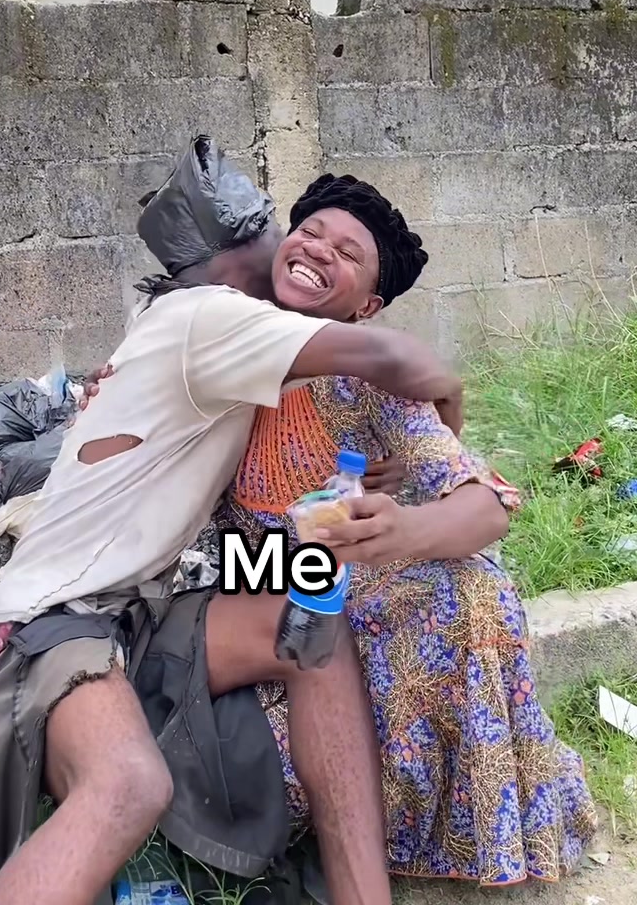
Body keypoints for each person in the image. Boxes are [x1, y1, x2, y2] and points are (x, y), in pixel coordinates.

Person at [0, 138, 463, 905]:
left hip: (157, 597)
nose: (300, 246)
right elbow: (400, 361)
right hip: (59, 618)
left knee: (314, 623)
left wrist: (359, 525)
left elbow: (258, 539)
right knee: (128, 784)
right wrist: (451, 400)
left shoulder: (217, 337)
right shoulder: (214, 321)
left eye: (334, 247)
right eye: (287, 232)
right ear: (228, 259)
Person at [91, 169, 598, 893]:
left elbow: (485, 503)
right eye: (310, 232)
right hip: (217, 579)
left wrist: (404, 528)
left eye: (347, 253)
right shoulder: (214, 333)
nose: (318, 250)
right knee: (315, 613)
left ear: (368, 306)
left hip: (324, 577)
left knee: (469, 592)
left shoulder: (364, 379)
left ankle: (427, 827)